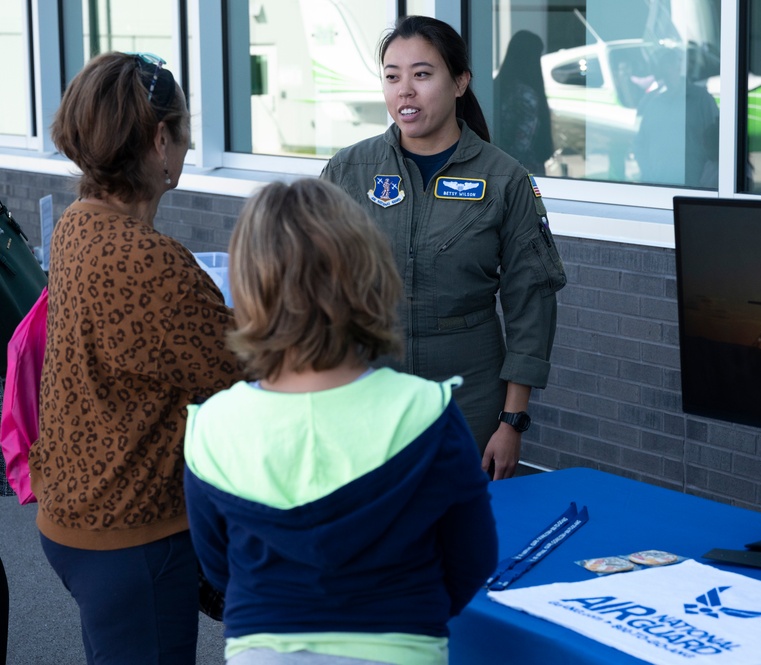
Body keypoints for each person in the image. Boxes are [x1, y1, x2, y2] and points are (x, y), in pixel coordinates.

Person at [184, 178, 498, 665]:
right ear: (366, 277)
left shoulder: (212, 426)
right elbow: (471, 558)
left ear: (248, 288)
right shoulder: (425, 412)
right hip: (401, 644)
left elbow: (218, 569)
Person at [31, 52, 242, 664]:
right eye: (184, 130)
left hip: (77, 508)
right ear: (158, 140)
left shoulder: (78, 222)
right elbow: (243, 372)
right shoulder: (146, 259)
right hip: (130, 533)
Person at [320, 16, 567, 480]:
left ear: (459, 82)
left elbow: (530, 302)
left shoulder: (504, 178)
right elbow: (314, 285)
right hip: (370, 388)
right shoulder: (350, 169)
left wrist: (511, 422)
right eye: (392, 77)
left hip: (469, 395)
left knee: (463, 530)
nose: (404, 91)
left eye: (422, 74)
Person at [633, 40, 719, 187]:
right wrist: (648, 175)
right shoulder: (651, 102)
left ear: (680, 67)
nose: (668, 69)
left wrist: (707, 182)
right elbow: (640, 143)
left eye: (672, 63)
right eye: (664, 65)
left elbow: (717, 143)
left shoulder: (702, 100)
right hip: (658, 186)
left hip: (694, 187)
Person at [493, 30, 554, 174]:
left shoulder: (497, 88)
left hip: (496, 167)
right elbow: (522, 145)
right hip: (522, 174)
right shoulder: (527, 95)